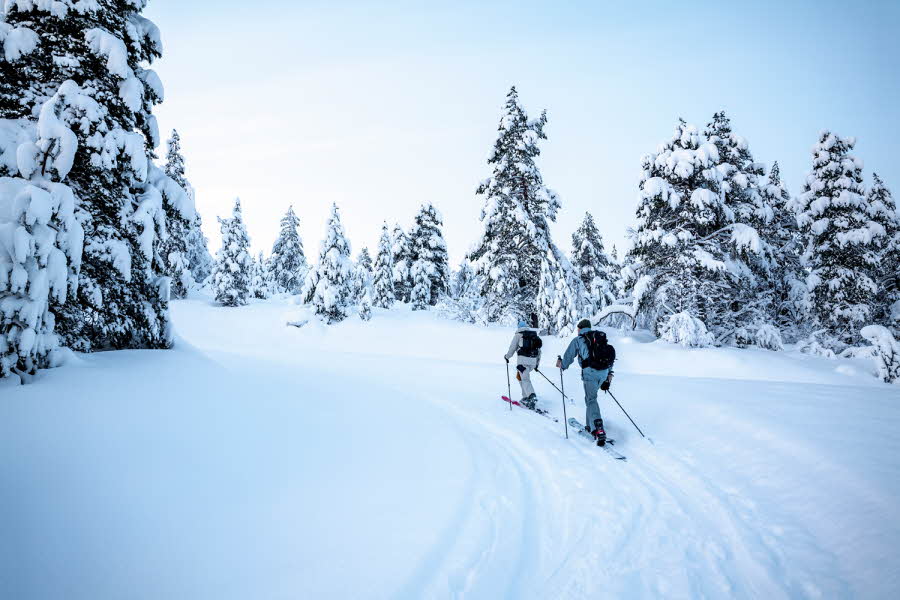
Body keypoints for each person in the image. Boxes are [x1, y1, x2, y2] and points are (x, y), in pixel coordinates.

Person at [556, 319, 615, 445]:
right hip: (604, 372)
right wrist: (608, 375)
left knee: (591, 399)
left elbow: (569, 356)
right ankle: (591, 427)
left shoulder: (579, 340)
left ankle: (598, 428)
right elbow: (608, 357)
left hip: (590, 373)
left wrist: (562, 365)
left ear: (580, 328)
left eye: (578, 328)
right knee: (590, 399)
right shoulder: (599, 339)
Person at [504, 319, 542, 409]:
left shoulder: (518, 335)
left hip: (523, 362)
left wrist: (507, 357)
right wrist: (536, 365)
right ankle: (525, 397)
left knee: (525, 379)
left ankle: (531, 396)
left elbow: (512, 348)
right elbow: (539, 352)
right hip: (532, 362)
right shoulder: (533, 336)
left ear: (519, 327)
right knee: (520, 377)